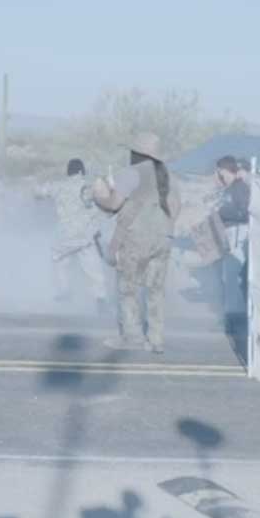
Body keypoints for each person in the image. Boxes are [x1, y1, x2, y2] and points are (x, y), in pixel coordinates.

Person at [92, 132, 181, 353]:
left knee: (128, 289)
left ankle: (132, 337)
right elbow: (176, 207)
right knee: (155, 289)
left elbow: (113, 204)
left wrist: (98, 196)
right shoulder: (169, 175)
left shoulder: (131, 174)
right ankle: (156, 338)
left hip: (136, 238)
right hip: (163, 238)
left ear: (136, 153)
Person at [33, 158, 107, 313]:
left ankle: (65, 290)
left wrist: (37, 187)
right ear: (81, 171)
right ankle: (100, 299)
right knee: (94, 270)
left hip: (65, 237)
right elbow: (101, 206)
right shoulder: (88, 187)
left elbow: (39, 192)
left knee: (58, 258)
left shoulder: (59, 186)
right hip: (86, 237)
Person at [214, 156, 251, 330]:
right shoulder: (230, 188)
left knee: (233, 275)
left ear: (229, 170)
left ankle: (236, 316)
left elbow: (245, 212)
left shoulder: (240, 188)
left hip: (237, 232)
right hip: (230, 233)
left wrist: (224, 213)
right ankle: (232, 313)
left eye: (222, 173)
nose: (220, 177)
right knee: (228, 276)